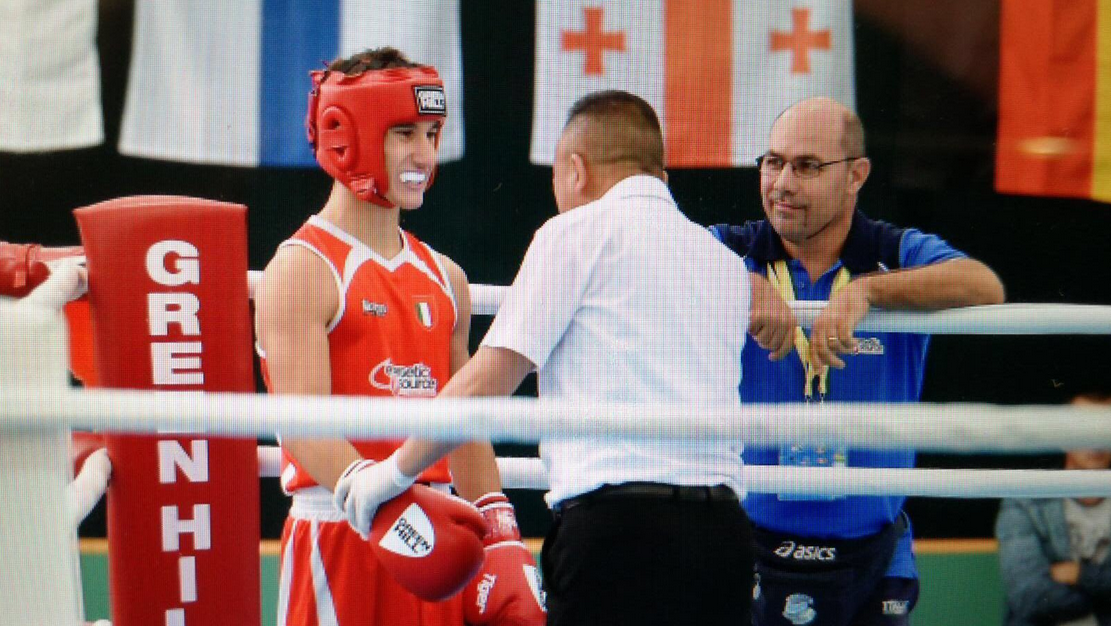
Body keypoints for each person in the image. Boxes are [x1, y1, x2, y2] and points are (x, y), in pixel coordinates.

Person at [334, 90, 764, 625]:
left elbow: (488, 381)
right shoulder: (722, 262)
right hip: (723, 537)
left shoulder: (574, 234)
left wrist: (391, 475)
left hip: (615, 534)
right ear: (661, 178)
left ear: (576, 170)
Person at [254, 47, 541, 626]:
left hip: (436, 541)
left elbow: (463, 425)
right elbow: (300, 420)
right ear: (345, 135)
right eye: (404, 133)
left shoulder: (445, 278)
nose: (424, 154)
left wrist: (498, 527)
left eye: (432, 133)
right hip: (341, 531)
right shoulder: (304, 267)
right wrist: (383, 503)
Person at [710, 96, 1007, 626]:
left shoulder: (895, 252)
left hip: (872, 555)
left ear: (856, 175)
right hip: (751, 548)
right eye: (773, 162)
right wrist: (740, 282)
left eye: (806, 166)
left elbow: (984, 285)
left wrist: (869, 293)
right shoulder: (727, 253)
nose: (781, 183)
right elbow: (651, 260)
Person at [996, 393, 1111, 626]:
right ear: (1062, 435)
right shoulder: (1025, 499)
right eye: (1086, 428)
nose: (1097, 440)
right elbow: (1029, 597)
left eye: (1105, 427)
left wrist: (1082, 576)